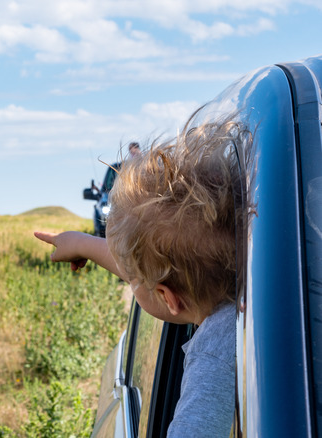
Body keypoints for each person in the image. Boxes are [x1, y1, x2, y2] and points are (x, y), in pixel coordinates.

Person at [36, 114, 247, 436]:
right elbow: (150, 271)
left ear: (168, 298)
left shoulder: (214, 354)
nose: (129, 278)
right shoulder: (264, 283)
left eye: (133, 281)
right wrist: (82, 243)